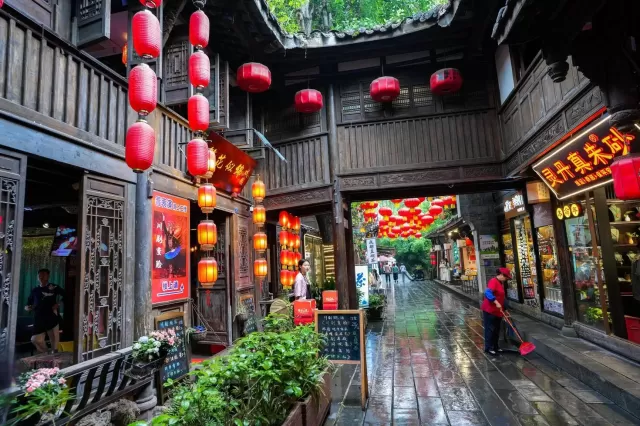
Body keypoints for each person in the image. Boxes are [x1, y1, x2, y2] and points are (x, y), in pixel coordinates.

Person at [25, 269, 64, 353]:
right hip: (39, 318)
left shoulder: (54, 287)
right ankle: (46, 352)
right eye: (40, 275)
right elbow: (28, 303)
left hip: (52, 317)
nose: (41, 277)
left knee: (54, 343)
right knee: (35, 339)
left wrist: (58, 304)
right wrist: (28, 307)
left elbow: (65, 294)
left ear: (48, 276)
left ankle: (54, 357)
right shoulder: (35, 290)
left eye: (44, 275)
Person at [481, 267, 511, 356]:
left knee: (497, 330)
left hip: (498, 311)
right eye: (506, 277)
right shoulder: (493, 281)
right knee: (490, 329)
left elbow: (502, 297)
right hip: (490, 310)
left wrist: (505, 309)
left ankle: (495, 346)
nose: (506, 279)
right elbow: (487, 293)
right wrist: (496, 302)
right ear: (501, 275)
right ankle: (489, 348)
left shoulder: (500, 283)